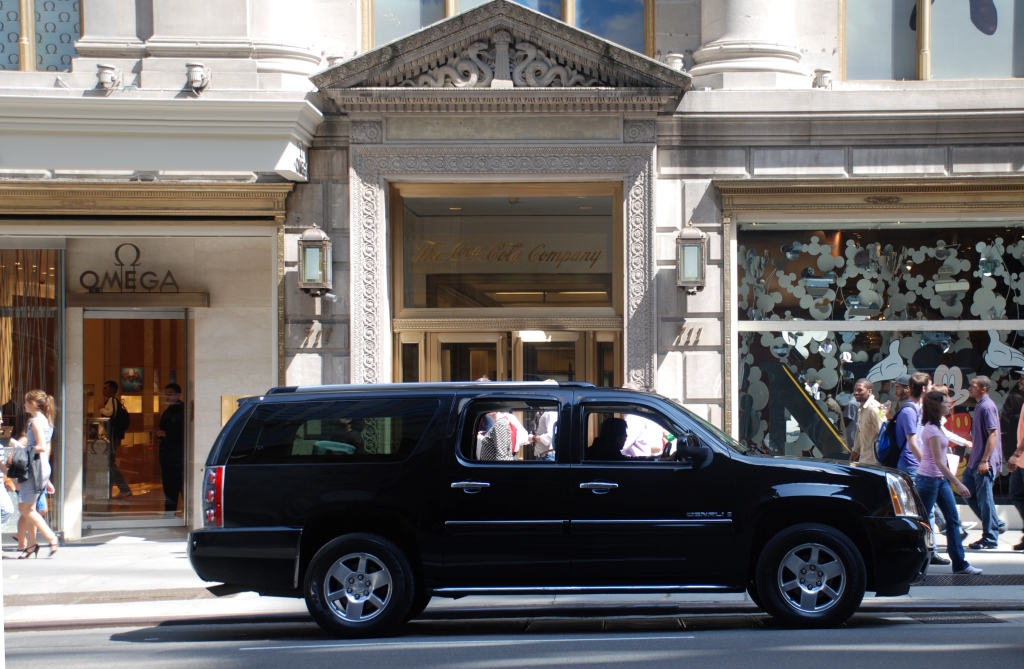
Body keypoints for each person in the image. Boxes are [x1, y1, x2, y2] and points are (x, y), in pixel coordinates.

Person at [917, 391, 982, 575]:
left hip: (939, 480)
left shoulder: (938, 427)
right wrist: (958, 483)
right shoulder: (930, 429)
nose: (949, 405)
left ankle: (960, 564)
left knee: (953, 520)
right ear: (936, 406)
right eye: (945, 402)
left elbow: (946, 450)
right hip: (929, 480)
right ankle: (915, 563)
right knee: (922, 523)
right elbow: (938, 460)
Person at [15, 390, 59, 558]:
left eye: (26, 402)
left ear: (32, 404)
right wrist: (46, 477)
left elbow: (39, 446)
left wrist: (20, 447)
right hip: (41, 467)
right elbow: (46, 449)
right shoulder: (46, 421)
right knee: (31, 507)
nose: (24, 404)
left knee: (24, 508)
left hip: (34, 468)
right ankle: (31, 545)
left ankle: (51, 537)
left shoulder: (35, 421)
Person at [965, 376, 1003, 550]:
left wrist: (985, 460)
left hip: (983, 462)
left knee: (985, 500)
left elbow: (993, 434)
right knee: (968, 493)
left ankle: (990, 537)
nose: (969, 388)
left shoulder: (987, 406)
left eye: (973, 386)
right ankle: (996, 524)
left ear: (983, 389)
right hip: (974, 461)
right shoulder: (980, 405)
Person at [154, 383, 185, 514]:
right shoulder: (167, 411)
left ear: (178, 395)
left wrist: (167, 434)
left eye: (170, 393)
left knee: (181, 485)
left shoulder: (183, 410)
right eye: (166, 394)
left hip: (178, 454)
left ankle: (186, 511)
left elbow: (185, 433)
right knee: (168, 487)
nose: (167, 396)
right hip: (167, 455)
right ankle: (169, 513)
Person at [100, 380, 132, 499]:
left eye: (105, 387)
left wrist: (101, 409)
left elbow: (111, 414)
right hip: (113, 435)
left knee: (110, 463)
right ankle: (116, 488)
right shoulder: (112, 401)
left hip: (113, 435)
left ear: (112, 389)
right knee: (110, 463)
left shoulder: (112, 400)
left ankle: (124, 488)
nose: (103, 390)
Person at [849, 378, 883, 465]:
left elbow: (884, 435)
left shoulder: (875, 408)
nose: (856, 393)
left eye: (860, 390)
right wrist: (850, 461)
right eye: (855, 390)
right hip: (864, 461)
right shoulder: (861, 408)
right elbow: (858, 438)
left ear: (869, 391)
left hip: (875, 463)